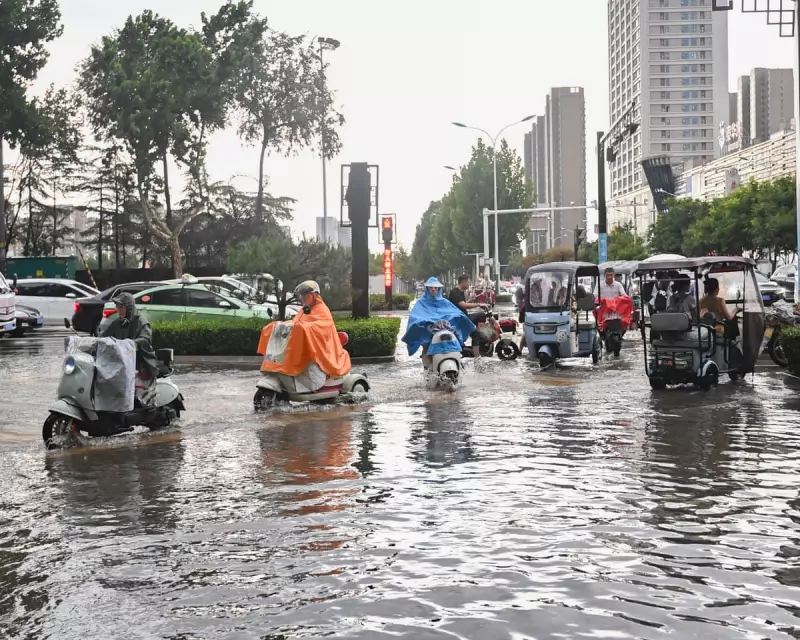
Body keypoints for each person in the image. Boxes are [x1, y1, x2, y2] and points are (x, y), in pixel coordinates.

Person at [257, 280, 351, 380]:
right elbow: (295, 323)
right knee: (272, 327)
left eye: (306, 294)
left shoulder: (322, 309)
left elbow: (322, 326)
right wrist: (282, 325)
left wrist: (304, 327)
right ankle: (272, 366)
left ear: (314, 295)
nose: (303, 297)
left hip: (324, 347)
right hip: (303, 345)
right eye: (301, 295)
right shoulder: (303, 310)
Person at [101, 292, 158, 407]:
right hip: (121, 362)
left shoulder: (141, 322)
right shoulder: (118, 323)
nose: (118, 310)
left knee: (144, 400)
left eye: (121, 307)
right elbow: (104, 337)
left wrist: (130, 344)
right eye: (117, 307)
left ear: (129, 308)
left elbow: (145, 339)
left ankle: (149, 407)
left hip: (140, 362)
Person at [402, 277, 476, 364]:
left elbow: (454, 312)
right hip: (428, 332)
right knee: (426, 347)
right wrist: (425, 322)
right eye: (431, 287)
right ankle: (428, 367)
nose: (433, 289)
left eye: (435, 287)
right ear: (427, 289)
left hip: (445, 331)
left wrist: (459, 318)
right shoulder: (420, 303)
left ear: (438, 289)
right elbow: (415, 317)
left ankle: (457, 362)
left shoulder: (445, 302)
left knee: (454, 342)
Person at [449, 274, 489, 357]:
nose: (469, 284)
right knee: (476, 332)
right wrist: (478, 304)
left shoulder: (460, 292)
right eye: (468, 282)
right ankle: (477, 356)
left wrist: (471, 299)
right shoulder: (454, 292)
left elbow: (461, 303)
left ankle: (480, 341)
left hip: (463, 317)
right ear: (463, 282)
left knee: (481, 316)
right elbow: (463, 305)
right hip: (459, 320)